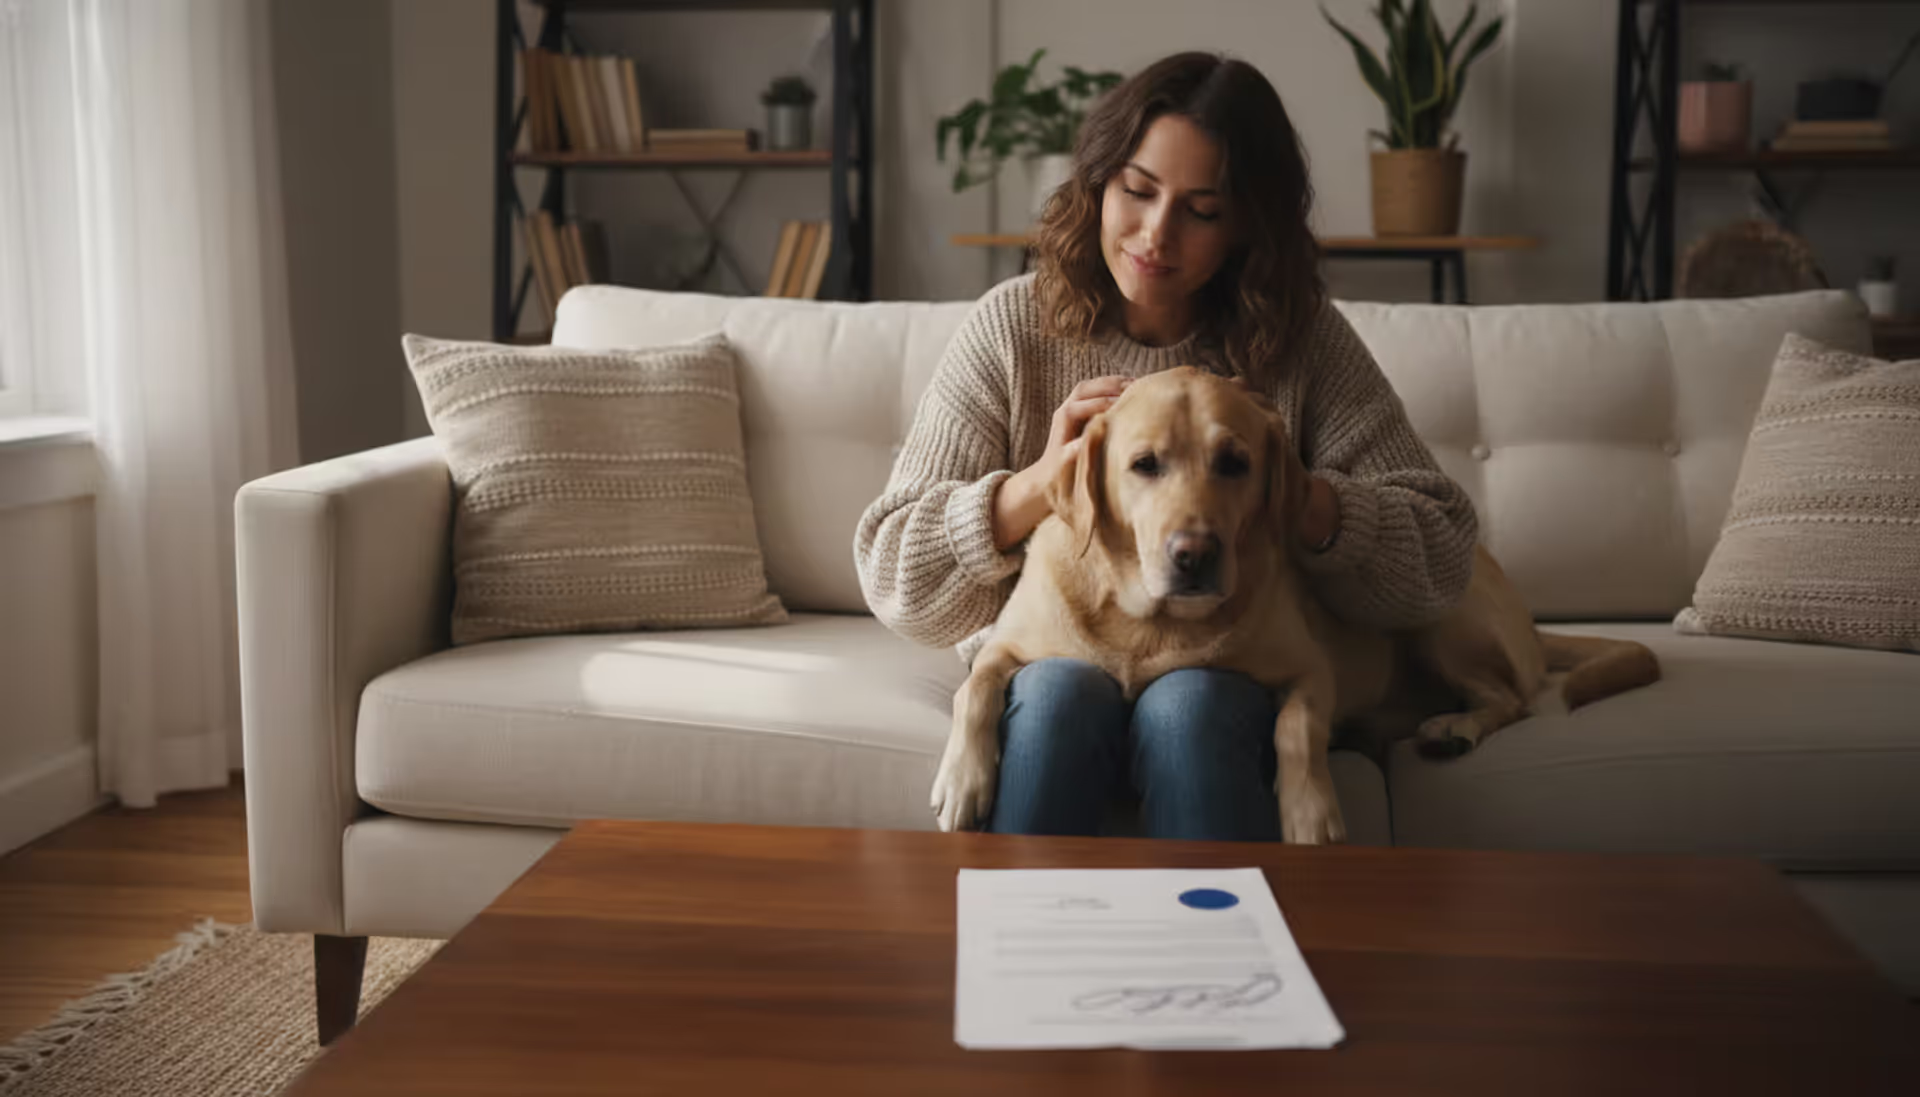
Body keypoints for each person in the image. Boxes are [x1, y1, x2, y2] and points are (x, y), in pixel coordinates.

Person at [853, 51, 1478, 841]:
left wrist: (1288, 483)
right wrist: (1047, 482)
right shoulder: (1014, 328)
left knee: (1193, 707)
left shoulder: (1300, 342)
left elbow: (1442, 557)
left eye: (1202, 210)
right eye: (1138, 192)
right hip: (1056, 664)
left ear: (1247, 222)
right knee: (1053, 698)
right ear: (1098, 184)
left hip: (1222, 670)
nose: (1156, 235)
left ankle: (1227, 962)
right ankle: (1023, 952)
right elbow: (891, 573)